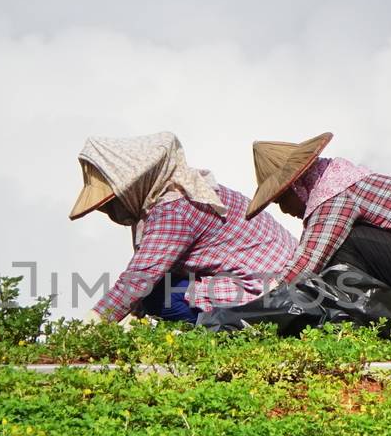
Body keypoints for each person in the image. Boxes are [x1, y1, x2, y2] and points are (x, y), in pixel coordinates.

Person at [245, 132, 391, 333]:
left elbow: (305, 265)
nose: (285, 210)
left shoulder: (334, 194)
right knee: (340, 260)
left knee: (343, 249)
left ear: (296, 186)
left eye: (282, 200)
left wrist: (260, 308)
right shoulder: (338, 180)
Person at [69, 132, 295, 324]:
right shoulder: (186, 188)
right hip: (279, 282)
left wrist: (92, 324)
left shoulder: (173, 209)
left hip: (270, 292)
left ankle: (218, 332)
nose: (112, 210)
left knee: (159, 296)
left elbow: (140, 278)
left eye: (113, 201)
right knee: (158, 288)